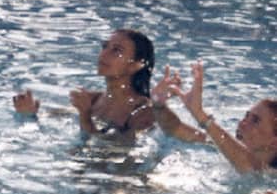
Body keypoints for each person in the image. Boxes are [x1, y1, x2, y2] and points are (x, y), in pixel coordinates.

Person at [13, 29, 201, 140]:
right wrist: (30, 114)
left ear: (136, 65)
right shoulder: (94, 99)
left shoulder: (144, 112)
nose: (103, 55)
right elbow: (58, 118)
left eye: (116, 51)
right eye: (105, 47)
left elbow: (115, 150)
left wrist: (85, 116)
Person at [157, 62, 277, 172]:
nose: (243, 123)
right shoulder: (221, 147)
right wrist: (159, 105)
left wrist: (199, 114)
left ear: (274, 143)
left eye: (256, 121)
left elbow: (251, 166)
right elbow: (175, 129)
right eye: (247, 116)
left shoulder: (271, 179)